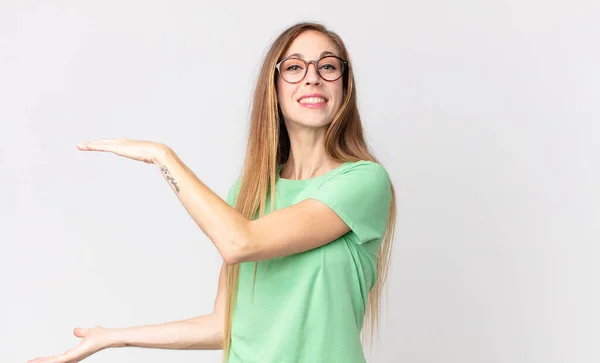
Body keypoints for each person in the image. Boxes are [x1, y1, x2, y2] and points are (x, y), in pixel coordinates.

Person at [27, 21, 397, 363]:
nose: (313, 78)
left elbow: (240, 243)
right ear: (275, 86)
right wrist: (111, 337)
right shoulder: (250, 194)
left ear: (343, 86)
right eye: (295, 67)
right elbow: (225, 324)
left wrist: (163, 157)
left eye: (328, 67)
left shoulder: (363, 182)